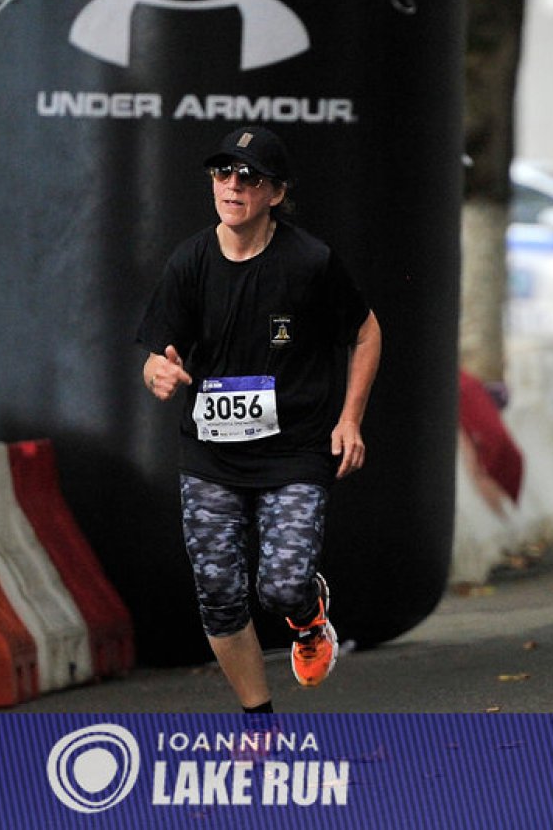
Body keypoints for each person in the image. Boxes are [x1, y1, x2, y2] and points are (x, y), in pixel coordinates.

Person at [138, 127, 382, 713]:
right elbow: (155, 355)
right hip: (211, 454)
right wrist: (158, 373)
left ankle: (307, 613)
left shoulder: (309, 262)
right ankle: (259, 720)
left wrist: (350, 419)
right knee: (219, 595)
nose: (232, 185)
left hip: (293, 451)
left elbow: (367, 331)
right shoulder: (190, 262)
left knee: (281, 585)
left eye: (248, 177)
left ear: (276, 193)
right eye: (223, 173)